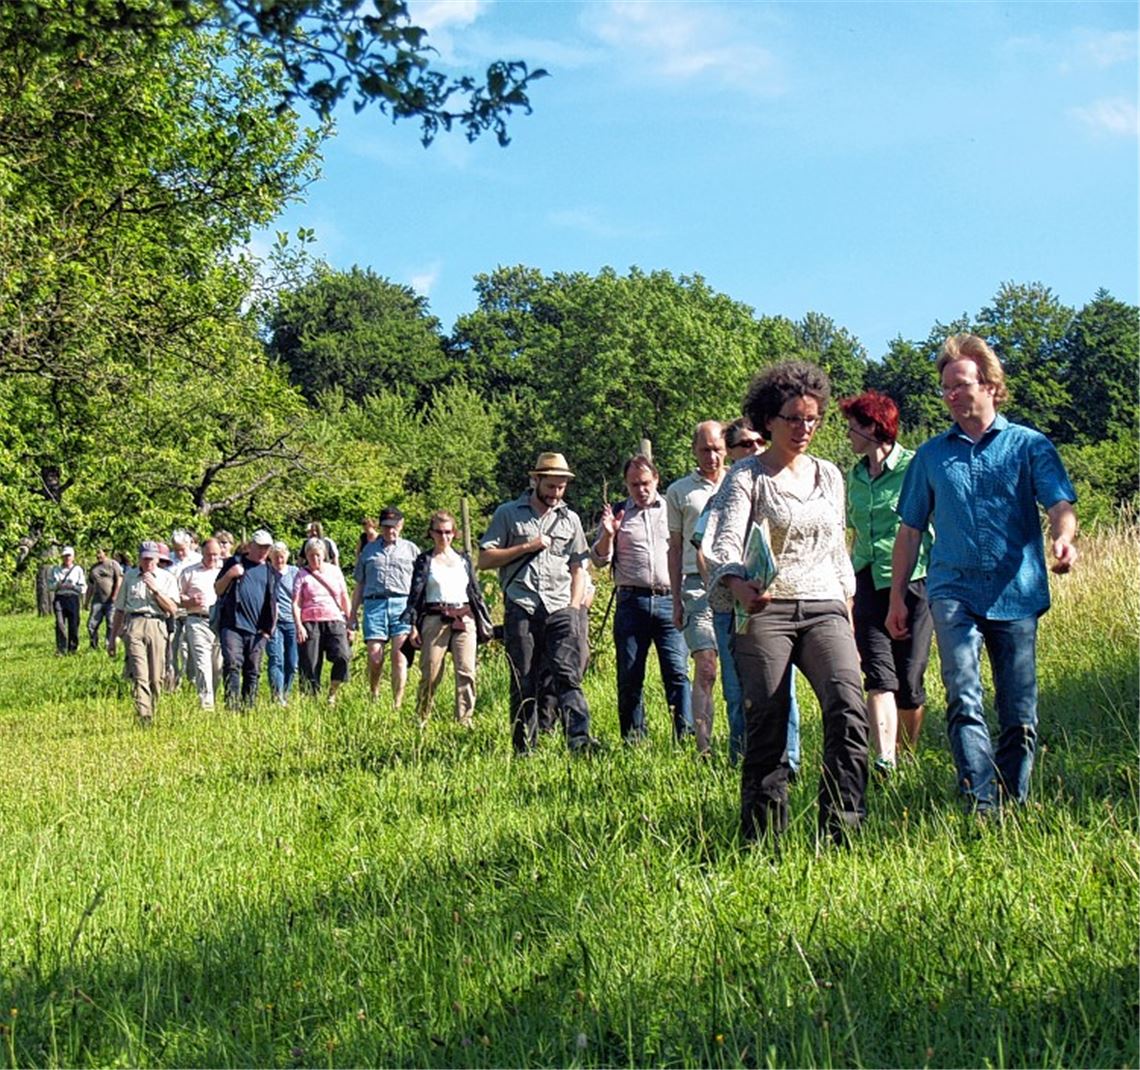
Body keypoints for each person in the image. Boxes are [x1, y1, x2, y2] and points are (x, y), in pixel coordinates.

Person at [887, 333, 1078, 816]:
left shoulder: (1029, 446)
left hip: (1016, 591)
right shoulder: (931, 457)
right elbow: (909, 530)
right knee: (964, 694)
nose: (952, 395)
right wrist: (896, 600)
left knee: (1019, 714)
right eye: (945, 388)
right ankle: (981, 802)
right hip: (952, 592)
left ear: (991, 385)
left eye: (961, 385)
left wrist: (1062, 537)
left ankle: (1012, 800)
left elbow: (1059, 501)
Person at [705, 361, 869, 847]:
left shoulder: (831, 475)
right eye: (793, 419)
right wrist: (738, 584)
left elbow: (838, 547)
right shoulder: (745, 476)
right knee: (769, 717)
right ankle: (763, 842)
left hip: (825, 606)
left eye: (812, 419)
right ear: (767, 420)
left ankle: (842, 833)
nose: (804, 429)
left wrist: (847, 608)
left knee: (848, 707)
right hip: (766, 609)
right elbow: (723, 542)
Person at [841, 390, 934, 775]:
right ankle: (885, 761)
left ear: (874, 428)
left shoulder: (916, 467)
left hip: (914, 582)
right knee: (879, 675)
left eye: (853, 426)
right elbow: (850, 531)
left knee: (910, 678)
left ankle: (906, 753)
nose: (848, 434)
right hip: (867, 581)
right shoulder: (854, 476)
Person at [479, 451, 597, 754]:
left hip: (560, 607)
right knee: (524, 681)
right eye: (550, 486)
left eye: (561, 487)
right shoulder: (508, 513)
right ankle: (524, 750)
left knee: (568, 675)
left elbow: (578, 566)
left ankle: (580, 739)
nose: (556, 493)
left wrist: (573, 607)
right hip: (522, 605)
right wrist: (527, 546)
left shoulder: (570, 519)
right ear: (536, 480)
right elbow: (484, 558)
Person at [707, 419, 801, 770]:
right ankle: (741, 760)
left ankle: (787, 762)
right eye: (745, 444)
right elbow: (707, 552)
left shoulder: (787, 488)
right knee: (736, 690)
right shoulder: (720, 499)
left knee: (782, 689)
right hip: (731, 606)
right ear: (730, 452)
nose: (755, 449)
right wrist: (732, 585)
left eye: (759, 441)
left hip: (776, 602)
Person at [591, 455, 691, 743]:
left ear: (656, 480)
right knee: (630, 675)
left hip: (669, 600)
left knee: (677, 673)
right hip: (631, 603)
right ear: (627, 484)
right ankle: (634, 741)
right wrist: (609, 535)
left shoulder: (671, 509)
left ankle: (685, 737)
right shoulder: (619, 513)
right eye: (634, 484)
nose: (641, 489)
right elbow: (599, 560)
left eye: (646, 483)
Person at [666, 421, 726, 754]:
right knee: (705, 664)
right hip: (694, 586)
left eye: (717, 449)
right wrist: (675, 599)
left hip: (735, 580)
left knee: (739, 667)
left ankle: (742, 742)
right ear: (694, 450)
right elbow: (674, 548)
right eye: (705, 449)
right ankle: (704, 746)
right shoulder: (679, 492)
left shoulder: (739, 481)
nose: (712, 456)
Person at [404, 510, 492, 727]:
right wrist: (412, 625)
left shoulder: (464, 560)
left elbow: (474, 592)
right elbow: (415, 594)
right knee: (431, 672)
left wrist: (483, 620)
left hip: (464, 617)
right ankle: (422, 717)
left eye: (448, 532)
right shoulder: (425, 560)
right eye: (439, 532)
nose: (444, 537)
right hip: (435, 618)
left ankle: (464, 719)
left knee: (466, 671)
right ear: (431, 533)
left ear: (455, 533)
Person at [350, 506, 418, 706]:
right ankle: (375, 691)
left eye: (394, 526)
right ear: (380, 527)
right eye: (386, 527)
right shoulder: (369, 550)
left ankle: (397, 702)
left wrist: (418, 611)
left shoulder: (411, 550)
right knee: (375, 656)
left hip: (402, 604)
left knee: (399, 656)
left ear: (401, 525)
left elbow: (419, 583)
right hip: (374, 605)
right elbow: (359, 583)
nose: (390, 531)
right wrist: (352, 614)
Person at [109, 541, 180, 724]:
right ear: (139, 558)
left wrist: (156, 590)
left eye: (151, 558)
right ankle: (143, 715)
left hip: (157, 623)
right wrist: (112, 638)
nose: (148, 562)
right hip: (135, 623)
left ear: (157, 558)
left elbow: (172, 608)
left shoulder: (167, 578)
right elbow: (119, 609)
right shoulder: (130, 577)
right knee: (140, 673)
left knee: (156, 677)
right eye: (144, 558)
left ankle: (154, 708)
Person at [214, 529, 278, 710]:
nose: (262, 551)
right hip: (232, 624)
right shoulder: (235, 562)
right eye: (259, 547)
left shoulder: (270, 571)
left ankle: (249, 708)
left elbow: (274, 602)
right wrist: (230, 574)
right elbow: (217, 590)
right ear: (251, 546)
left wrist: (267, 631)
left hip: (259, 629)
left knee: (253, 671)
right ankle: (231, 706)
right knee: (233, 664)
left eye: (266, 548)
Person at [293, 537, 353, 703]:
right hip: (310, 622)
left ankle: (332, 693)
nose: (315, 559)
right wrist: (299, 626)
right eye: (311, 555)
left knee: (343, 655)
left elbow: (344, 597)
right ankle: (310, 701)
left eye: (318, 555)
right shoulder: (301, 574)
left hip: (334, 619)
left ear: (324, 555)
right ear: (306, 556)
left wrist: (350, 622)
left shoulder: (335, 571)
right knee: (310, 664)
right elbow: (296, 603)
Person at [179, 538, 223, 710]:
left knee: (217, 666)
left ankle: (215, 695)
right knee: (202, 664)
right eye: (209, 554)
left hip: (219, 621)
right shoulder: (189, 572)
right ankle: (207, 705)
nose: (212, 558)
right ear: (202, 553)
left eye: (216, 555)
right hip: (197, 620)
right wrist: (189, 600)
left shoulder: (223, 571)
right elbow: (178, 596)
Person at [267, 540, 300, 705]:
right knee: (276, 659)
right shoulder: (267, 573)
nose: (279, 560)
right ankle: (277, 696)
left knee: (292, 663)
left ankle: (286, 693)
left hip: (292, 622)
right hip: (274, 623)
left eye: (281, 557)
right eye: (275, 557)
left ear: (286, 556)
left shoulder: (295, 572)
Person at [49, 546, 87, 655]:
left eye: (69, 555)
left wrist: (73, 586)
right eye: (65, 556)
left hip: (72, 598)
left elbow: (83, 588)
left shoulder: (78, 569)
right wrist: (57, 585)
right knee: (60, 624)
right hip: (60, 598)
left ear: (73, 557)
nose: (67, 558)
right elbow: (50, 586)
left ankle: (73, 648)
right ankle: (61, 648)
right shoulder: (55, 569)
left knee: (73, 624)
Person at [85, 548, 121, 651]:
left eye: (99, 553)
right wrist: (87, 601)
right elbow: (90, 586)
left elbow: (119, 580)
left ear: (105, 553)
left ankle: (109, 644)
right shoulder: (93, 568)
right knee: (91, 624)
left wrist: (115, 595)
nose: (98, 555)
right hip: (97, 601)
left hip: (111, 600)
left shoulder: (113, 564)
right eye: (96, 553)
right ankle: (93, 645)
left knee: (111, 623)